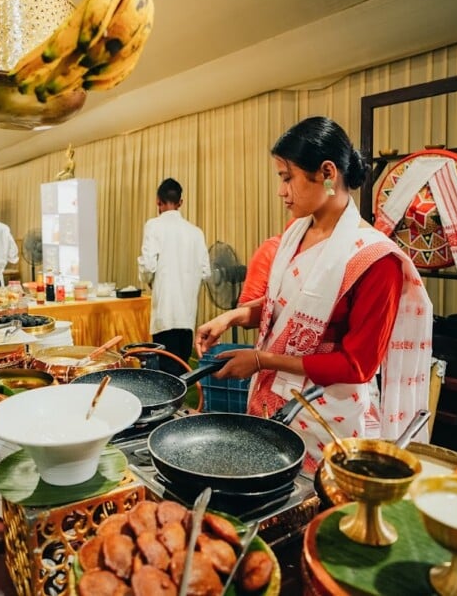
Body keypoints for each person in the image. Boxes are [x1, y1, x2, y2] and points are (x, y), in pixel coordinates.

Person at [195, 117, 433, 469]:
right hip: (271, 400)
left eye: (287, 177)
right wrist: (236, 315)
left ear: (327, 172)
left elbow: (357, 365)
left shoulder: (373, 259)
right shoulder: (297, 233)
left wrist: (262, 360)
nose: (281, 190)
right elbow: (286, 306)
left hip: (326, 419)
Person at [138, 178, 210, 375]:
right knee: (182, 371)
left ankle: (171, 407)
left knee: (166, 373)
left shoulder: (154, 225)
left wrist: (150, 279)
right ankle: (181, 406)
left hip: (165, 314)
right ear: (181, 202)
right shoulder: (196, 232)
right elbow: (206, 271)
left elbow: (148, 265)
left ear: (157, 202)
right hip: (187, 315)